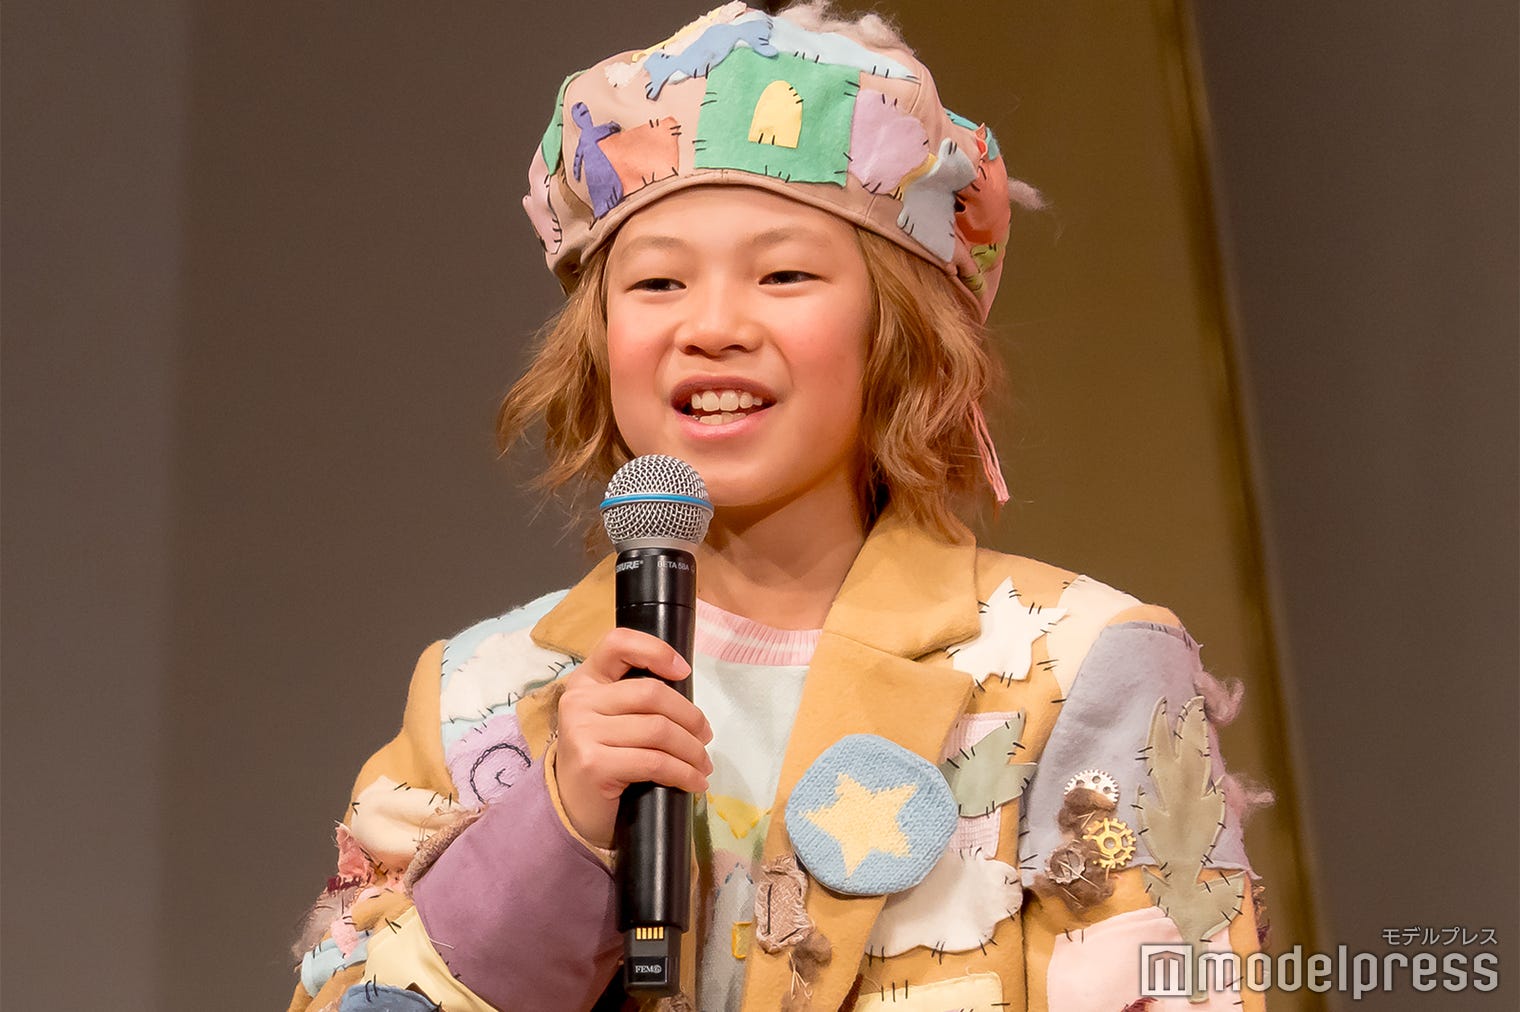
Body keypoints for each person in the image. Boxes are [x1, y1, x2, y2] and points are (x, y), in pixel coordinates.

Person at [288, 3, 1270, 1010]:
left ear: (898, 333)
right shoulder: (480, 694)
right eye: (657, 282)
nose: (712, 326)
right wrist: (557, 829)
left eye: (784, 274)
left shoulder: (1073, 668)